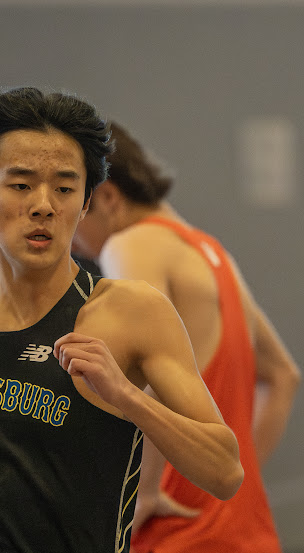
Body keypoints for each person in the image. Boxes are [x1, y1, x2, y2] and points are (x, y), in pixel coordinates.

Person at [0, 86, 244, 553]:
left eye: (65, 188)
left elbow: (225, 472)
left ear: (86, 202)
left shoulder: (131, 312)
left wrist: (127, 397)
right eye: (21, 184)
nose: (44, 205)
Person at [73, 121, 301, 553]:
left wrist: (146, 492)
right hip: (246, 532)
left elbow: (149, 368)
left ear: (106, 197)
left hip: (180, 535)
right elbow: (285, 375)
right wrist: (231, 482)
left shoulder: (131, 244)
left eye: (75, 206)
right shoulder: (214, 255)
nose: (75, 243)